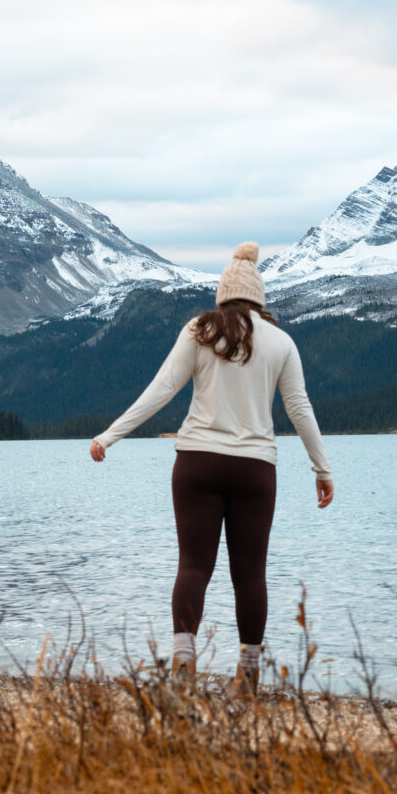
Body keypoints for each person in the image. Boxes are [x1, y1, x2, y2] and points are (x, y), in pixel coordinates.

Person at [90, 241, 334, 699]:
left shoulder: (199, 330)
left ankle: (183, 666)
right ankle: (248, 676)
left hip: (197, 464)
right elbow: (299, 408)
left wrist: (109, 435)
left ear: (223, 295)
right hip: (255, 471)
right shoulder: (281, 342)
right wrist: (321, 468)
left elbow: (162, 388)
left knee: (194, 565)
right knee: (251, 573)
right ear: (259, 298)